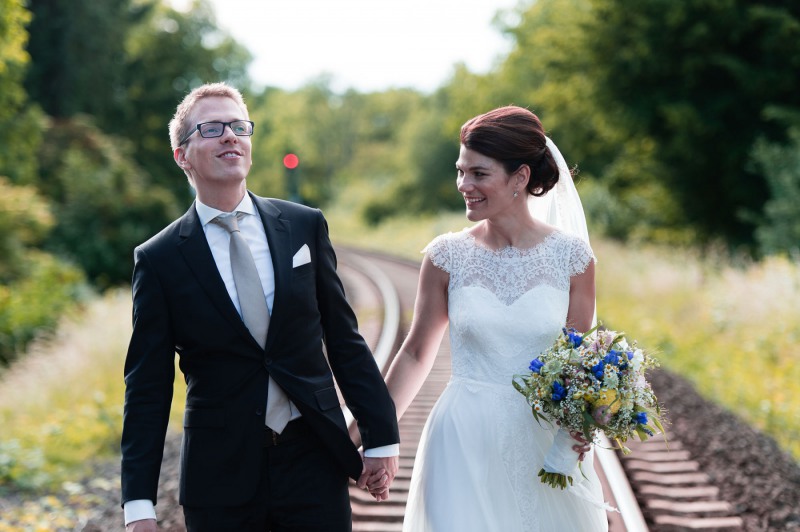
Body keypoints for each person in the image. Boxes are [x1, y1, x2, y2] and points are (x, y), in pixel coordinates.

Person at [121, 82, 400, 532]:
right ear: (182, 155)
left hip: (314, 459)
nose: (230, 135)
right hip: (220, 476)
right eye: (211, 128)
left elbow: (344, 339)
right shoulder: (159, 259)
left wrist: (381, 435)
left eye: (239, 126)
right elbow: (148, 388)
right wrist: (138, 504)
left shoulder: (304, 226)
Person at [381, 106, 609, 531]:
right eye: (460, 171)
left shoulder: (573, 258)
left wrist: (585, 428)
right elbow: (414, 353)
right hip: (462, 440)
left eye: (479, 174)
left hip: (542, 441)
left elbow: (581, 367)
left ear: (520, 178)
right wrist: (375, 432)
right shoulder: (445, 256)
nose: (464, 185)